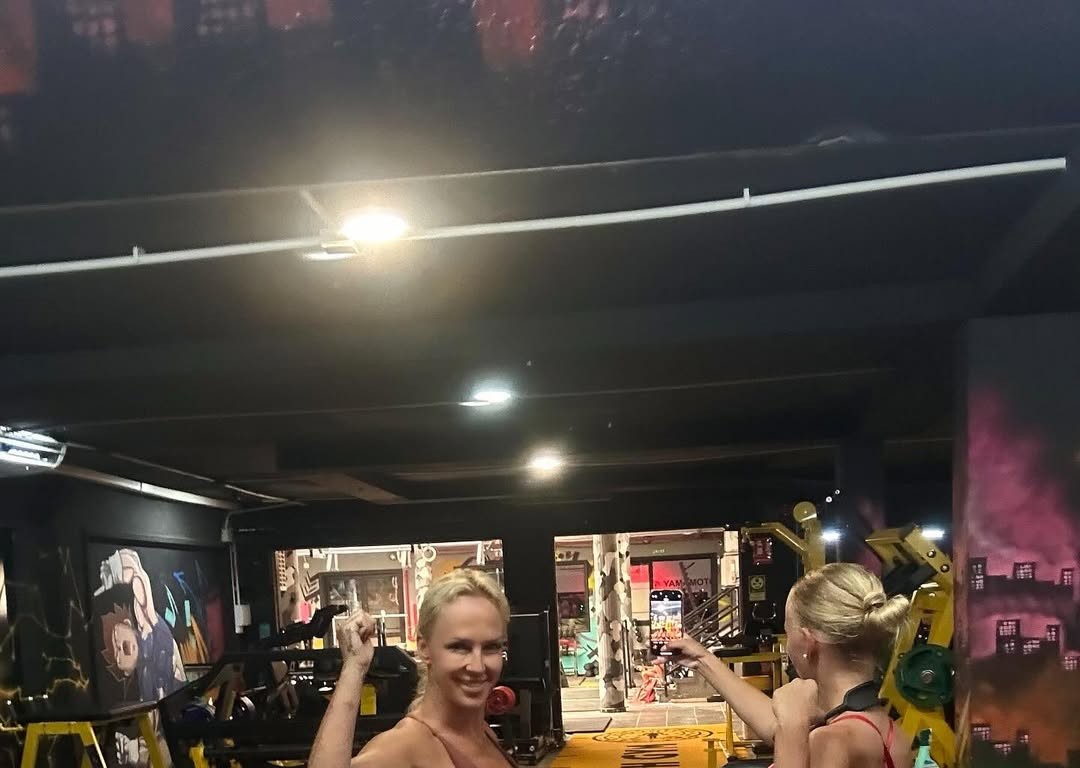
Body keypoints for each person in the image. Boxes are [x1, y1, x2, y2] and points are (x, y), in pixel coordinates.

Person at [665, 562, 913, 768]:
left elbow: (796, 736)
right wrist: (702, 659)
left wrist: (792, 728)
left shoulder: (829, 742)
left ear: (808, 642)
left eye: (787, 632)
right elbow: (773, 726)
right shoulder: (890, 731)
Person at [309, 568, 517, 768]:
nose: (477, 666)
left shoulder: (484, 733)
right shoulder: (405, 746)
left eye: (491, 647)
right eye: (459, 647)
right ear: (424, 648)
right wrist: (354, 667)